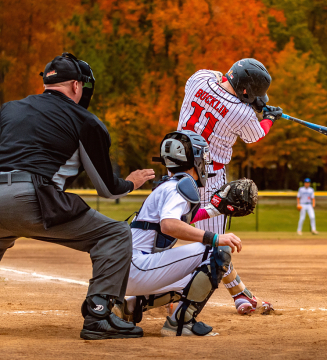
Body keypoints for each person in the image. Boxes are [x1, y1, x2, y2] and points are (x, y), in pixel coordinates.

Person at [0, 53, 155, 340]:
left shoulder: (8, 110)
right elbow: (107, 189)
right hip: (32, 198)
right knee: (116, 234)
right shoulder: (85, 120)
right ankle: (99, 315)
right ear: (75, 85)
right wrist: (130, 183)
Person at [177, 58, 282, 315]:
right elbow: (255, 135)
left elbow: (220, 78)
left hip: (175, 170)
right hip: (209, 178)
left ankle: (239, 294)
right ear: (245, 90)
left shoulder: (199, 78)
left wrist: (249, 96)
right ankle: (184, 299)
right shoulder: (243, 113)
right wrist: (267, 117)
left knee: (167, 230)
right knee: (215, 245)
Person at [113, 130, 241, 336]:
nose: (205, 163)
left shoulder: (169, 186)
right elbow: (169, 225)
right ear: (193, 160)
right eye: (202, 157)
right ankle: (181, 323)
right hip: (137, 268)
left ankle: (131, 306)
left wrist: (216, 209)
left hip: (128, 270)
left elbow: (181, 220)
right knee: (217, 252)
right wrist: (215, 238)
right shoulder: (178, 188)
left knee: (195, 278)